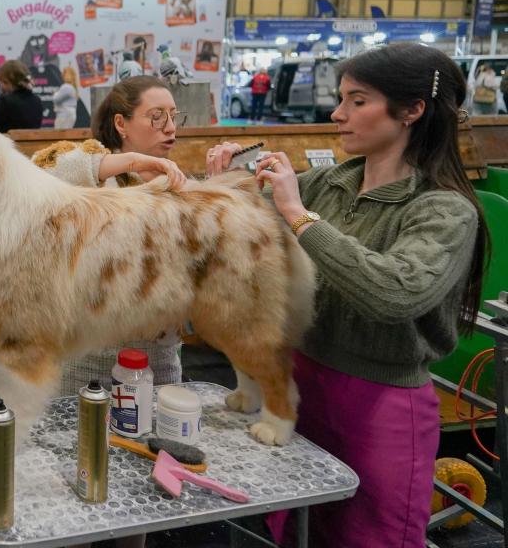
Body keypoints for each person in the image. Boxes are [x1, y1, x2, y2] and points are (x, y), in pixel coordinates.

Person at [206, 43, 487, 548]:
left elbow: (395, 292)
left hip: (381, 406)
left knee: (367, 535)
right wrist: (226, 186)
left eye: (358, 101)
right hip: (302, 380)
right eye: (342, 99)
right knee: (295, 526)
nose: (338, 114)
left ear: (411, 110)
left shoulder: (445, 211)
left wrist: (298, 216)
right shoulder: (329, 184)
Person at [31, 76, 187, 548]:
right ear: (121, 123)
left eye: (174, 117)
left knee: (138, 496)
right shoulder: (84, 169)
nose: (169, 128)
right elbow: (48, 179)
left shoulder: (175, 185)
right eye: (155, 117)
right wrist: (133, 162)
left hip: (156, 367)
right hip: (86, 370)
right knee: (78, 489)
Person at [0, 60, 43, 133]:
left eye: (0, 81)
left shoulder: (7, 102)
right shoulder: (37, 100)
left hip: (11, 144)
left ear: (6, 81)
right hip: (34, 144)